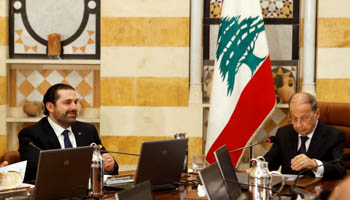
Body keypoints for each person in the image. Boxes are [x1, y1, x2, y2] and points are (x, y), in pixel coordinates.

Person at [18, 83, 119, 182]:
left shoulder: (88, 130)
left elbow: (112, 167)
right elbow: (34, 172)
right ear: (50, 107)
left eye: (75, 102)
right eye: (67, 102)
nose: (74, 107)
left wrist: (108, 167)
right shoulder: (30, 135)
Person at [264, 92, 346, 180]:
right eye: (294, 118)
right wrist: (258, 167)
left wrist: (314, 164)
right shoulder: (283, 133)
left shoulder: (334, 136)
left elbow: (340, 171)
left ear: (317, 113)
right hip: (287, 191)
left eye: (304, 118)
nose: (298, 125)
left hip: (317, 189)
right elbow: (270, 162)